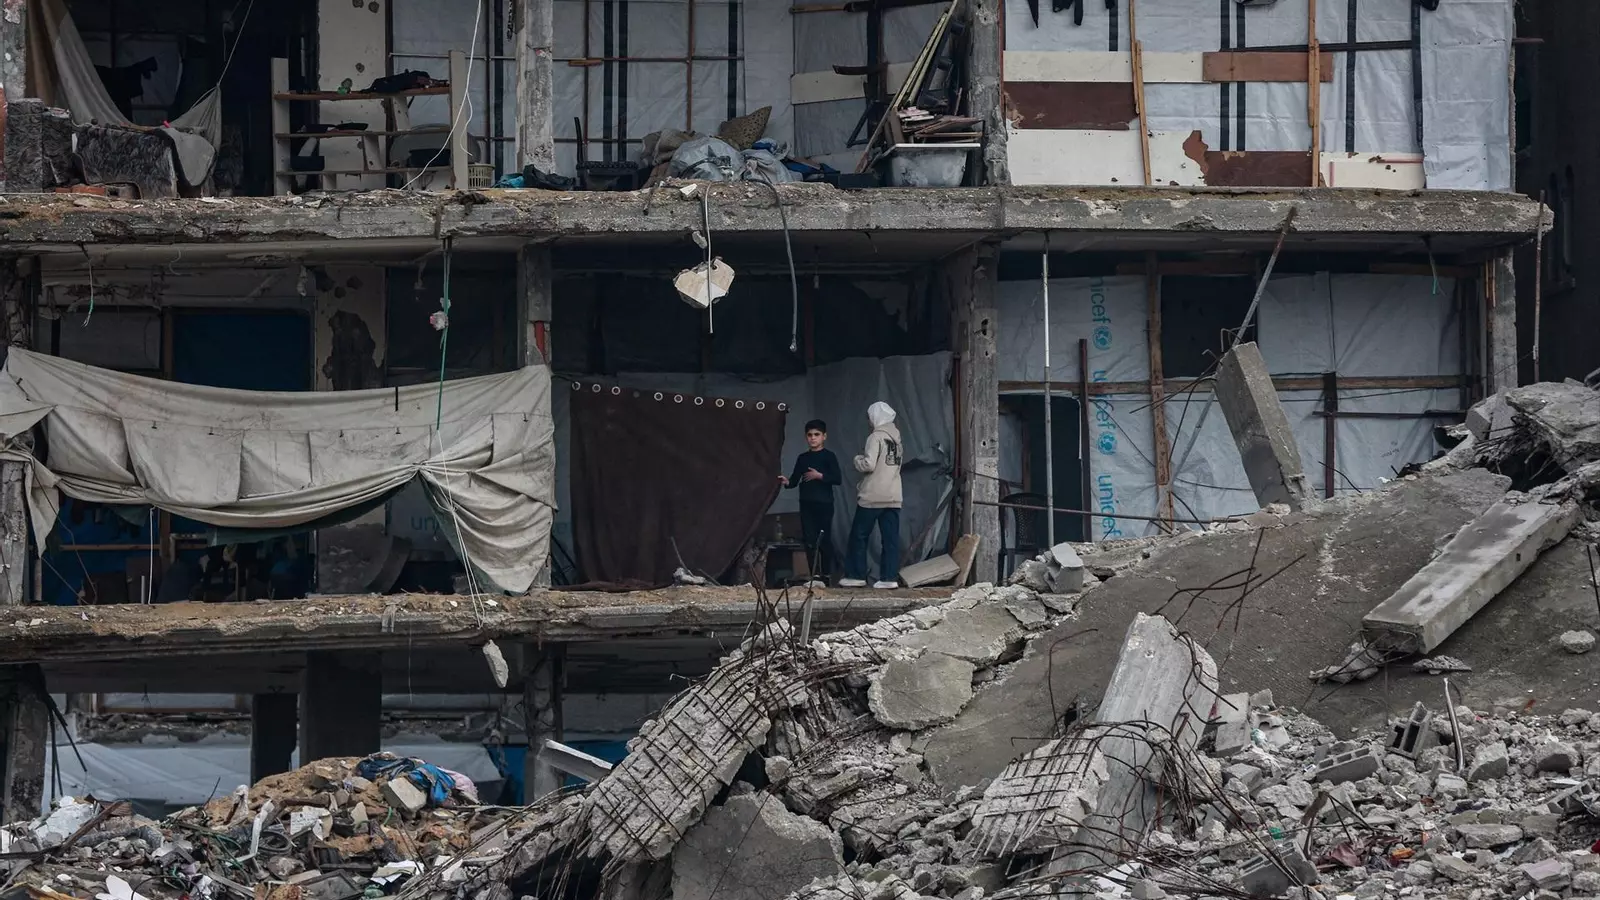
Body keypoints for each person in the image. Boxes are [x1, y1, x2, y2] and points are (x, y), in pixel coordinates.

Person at [841, 401, 903, 589]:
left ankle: (856, 575)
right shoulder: (897, 440)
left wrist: (857, 459)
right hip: (893, 496)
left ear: (876, 417)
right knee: (890, 539)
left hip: (873, 496)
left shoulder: (875, 437)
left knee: (859, 536)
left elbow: (869, 464)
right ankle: (889, 578)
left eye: (870, 417)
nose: (869, 421)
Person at [779, 419, 842, 585]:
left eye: (816, 434)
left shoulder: (829, 456)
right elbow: (794, 480)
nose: (813, 438)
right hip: (807, 503)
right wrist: (786, 482)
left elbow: (837, 478)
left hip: (824, 504)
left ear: (824, 436)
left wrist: (819, 476)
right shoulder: (803, 458)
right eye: (809, 435)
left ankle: (826, 574)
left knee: (824, 539)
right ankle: (814, 575)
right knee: (809, 540)